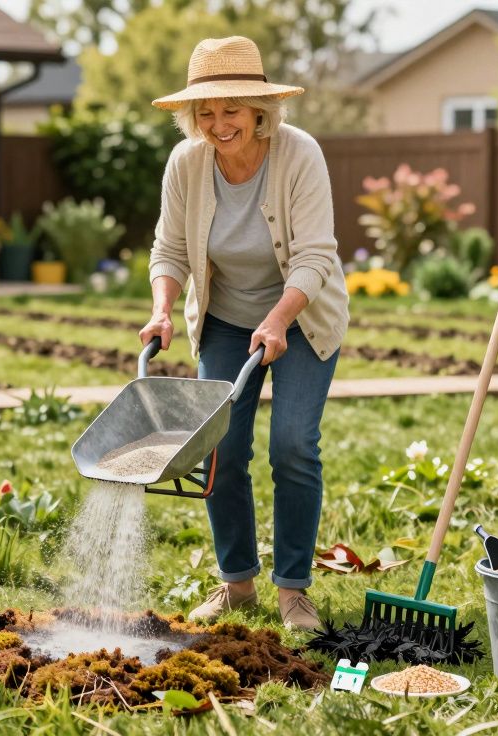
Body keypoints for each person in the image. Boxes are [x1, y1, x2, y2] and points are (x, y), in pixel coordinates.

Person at [141, 36, 349, 630]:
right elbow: (170, 249)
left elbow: (314, 257)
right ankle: (237, 584)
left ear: (260, 110)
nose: (217, 123)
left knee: (292, 445)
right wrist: (162, 310)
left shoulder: (299, 154)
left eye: (230, 110)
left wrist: (279, 320)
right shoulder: (186, 164)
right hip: (227, 319)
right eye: (204, 112)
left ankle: (293, 591)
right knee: (222, 450)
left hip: (302, 316)